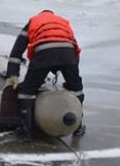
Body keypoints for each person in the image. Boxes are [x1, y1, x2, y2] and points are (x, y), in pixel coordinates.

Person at [6, 10, 85, 141]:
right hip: (68, 53)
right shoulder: (63, 23)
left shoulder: (33, 22)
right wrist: (71, 75)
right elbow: (75, 48)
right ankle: (78, 127)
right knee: (77, 89)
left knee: (26, 91)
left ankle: (25, 132)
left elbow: (17, 51)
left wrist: (13, 74)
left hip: (44, 53)